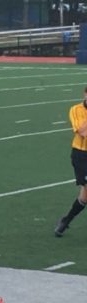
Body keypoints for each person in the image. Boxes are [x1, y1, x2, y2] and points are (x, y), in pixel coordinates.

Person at [56, 86, 87, 236]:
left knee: (84, 197)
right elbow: (82, 132)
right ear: (85, 94)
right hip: (81, 155)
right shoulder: (76, 109)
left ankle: (66, 220)